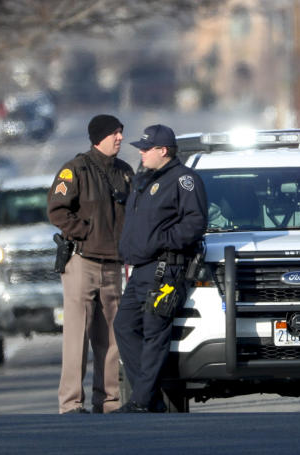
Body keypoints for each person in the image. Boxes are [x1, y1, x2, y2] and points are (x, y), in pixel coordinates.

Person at [113, 124, 208, 413]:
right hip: (141, 269)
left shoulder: (184, 180)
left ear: (163, 150)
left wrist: (161, 241)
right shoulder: (145, 180)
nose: (141, 153)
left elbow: (194, 222)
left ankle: (141, 400)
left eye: (146, 148)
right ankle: (149, 396)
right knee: (124, 325)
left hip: (165, 269)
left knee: (155, 330)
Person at [47, 114, 134, 414]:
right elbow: (57, 209)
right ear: (98, 137)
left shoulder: (125, 172)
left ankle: (108, 401)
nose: (120, 138)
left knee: (111, 337)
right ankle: (71, 403)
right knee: (76, 335)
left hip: (113, 265)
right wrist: (83, 232)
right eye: (114, 134)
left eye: (121, 133)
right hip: (81, 262)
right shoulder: (76, 170)